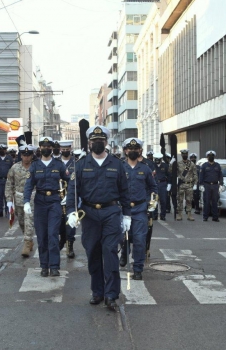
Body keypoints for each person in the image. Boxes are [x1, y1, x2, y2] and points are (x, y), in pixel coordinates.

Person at [66, 126, 131, 311]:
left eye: (101, 141)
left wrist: (127, 215)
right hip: (89, 214)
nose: (97, 144)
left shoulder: (116, 164)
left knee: (110, 252)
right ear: (89, 143)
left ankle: (111, 295)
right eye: (94, 141)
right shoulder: (81, 164)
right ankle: (97, 291)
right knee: (93, 252)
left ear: (106, 142)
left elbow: (125, 192)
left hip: (111, 212)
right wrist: (71, 211)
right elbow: (73, 190)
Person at [24, 137, 69, 277]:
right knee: (42, 236)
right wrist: (26, 201)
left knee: (53, 235)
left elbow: (70, 180)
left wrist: (68, 195)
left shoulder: (58, 164)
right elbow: (29, 184)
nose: (46, 149)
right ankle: (44, 265)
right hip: (40, 202)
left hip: (55, 202)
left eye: (48, 146)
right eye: (43, 146)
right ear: (40, 148)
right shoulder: (35, 165)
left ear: (52, 148)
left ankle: (54, 266)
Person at [119, 138, 157, 280]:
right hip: (123, 209)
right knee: (124, 238)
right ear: (125, 151)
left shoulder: (145, 169)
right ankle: (124, 252)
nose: (133, 151)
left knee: (140, 240)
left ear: (139, 151)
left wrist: (152, 203)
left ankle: (138, 268)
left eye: (136, 149)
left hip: (140, 209)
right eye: (130, 149)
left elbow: (153, 188)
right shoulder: (120, 168)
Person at [6, 144, 35, 257]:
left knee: (29, 221)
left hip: (32, 198)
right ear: (21, 155)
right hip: (18, 199)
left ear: (32, 156)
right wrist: (9, 200)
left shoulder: (36, 166)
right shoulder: (15, 168)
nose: (26, 157)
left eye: (28, 155)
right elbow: (9, 184)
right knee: (22, 222)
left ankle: (27, 243)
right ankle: (28, 239)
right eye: (24, 155)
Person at [58, 140, 76, 257]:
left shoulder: (76, 163)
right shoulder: (55, 162)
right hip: (57, 197)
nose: (65, 151)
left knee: (70, 223)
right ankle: (62, 240)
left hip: (71, 197)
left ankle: (70, 246)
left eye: (67, 148)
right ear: (60, 149)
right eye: (63, 149)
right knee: (59, 223)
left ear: (70, 148)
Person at [199, 150, 224, 222]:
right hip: (207, 185)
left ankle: (215, 217)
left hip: (215, 185)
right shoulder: (204, 165)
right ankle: (205, 216)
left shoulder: (217, 165)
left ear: (214, 157)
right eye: (209, 156)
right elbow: (201, 176)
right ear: (207, 157)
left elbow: (220, 176)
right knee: (206, 201)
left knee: (215, 201)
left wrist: (221, 184)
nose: (211, 157)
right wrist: (201, 185)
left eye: (212, 156)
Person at [0, 144, 14, 218]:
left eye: (3, 149)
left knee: (7, 196)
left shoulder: (9, 158)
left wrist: (13, 180)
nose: (2, 150)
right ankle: (0, 211)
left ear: (6, 150)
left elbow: (12, 170)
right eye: (0, 149)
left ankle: (8, 211)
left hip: (8, 180)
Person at [175, 149, 198, 221]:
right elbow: (171, 171)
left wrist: (195, 184)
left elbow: (195, 174)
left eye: (186, 154)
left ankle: (189, 214)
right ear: (181, 155)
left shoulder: (191, 164)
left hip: (189, 185)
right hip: (181, 185)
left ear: (187, 154)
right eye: (183, 154)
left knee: (189, 200)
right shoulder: (178, 163)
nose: (184, 155)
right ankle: (179, 214)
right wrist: (171, 164)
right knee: (180, 200)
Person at [153, 152, 171, 221]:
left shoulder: (165, 166)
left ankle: (163, 215)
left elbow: (169, 175)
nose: (157, 160)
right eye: (156, 159)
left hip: (163, 184)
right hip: (154, 184)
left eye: (158, 159)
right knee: (154, 201)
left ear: (161, 159)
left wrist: (169, 184)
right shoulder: (152, 165)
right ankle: (155, 215)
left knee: (163, 201)